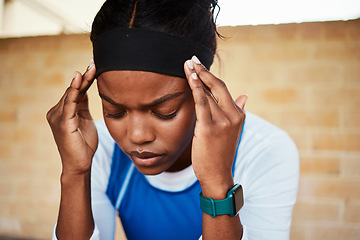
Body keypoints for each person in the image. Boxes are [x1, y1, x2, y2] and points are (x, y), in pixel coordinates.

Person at [47, 0, 299, 239]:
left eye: (164, 111)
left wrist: (217, 183)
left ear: (204, 90)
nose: (137, 135)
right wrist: (75, 173)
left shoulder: (264, 150)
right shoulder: (97, 146)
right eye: (115, 111)